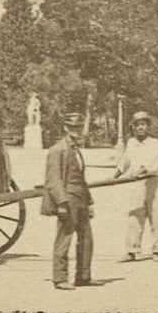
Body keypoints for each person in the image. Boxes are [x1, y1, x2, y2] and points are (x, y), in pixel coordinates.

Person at [43, 110, 94, 289]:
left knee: (87, 238)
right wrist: (61, 204)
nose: (77, 131)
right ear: (66, 128)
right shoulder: (57, 150)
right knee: (64, 237)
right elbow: (53, 180)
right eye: (73, 128)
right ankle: (60, 278)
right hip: (67, 199)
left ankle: (83, 276)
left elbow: (81, 178)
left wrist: (89, 202)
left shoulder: (76, 150)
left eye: (79, 128)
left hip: (80, 198)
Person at [115, 110, 158, 261]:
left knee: (156, 215)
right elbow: (125, 161)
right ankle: (131, 250)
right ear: (134, 127)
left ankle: (156, 250)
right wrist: (117, 173)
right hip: (137, 182)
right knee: (135, 214)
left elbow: (154, 163)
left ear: (148, 127)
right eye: (137, 125)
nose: (140, 128)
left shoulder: (156, 144)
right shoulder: (131, 143)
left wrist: (142, 170)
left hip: (155, 182)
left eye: (143, 125)